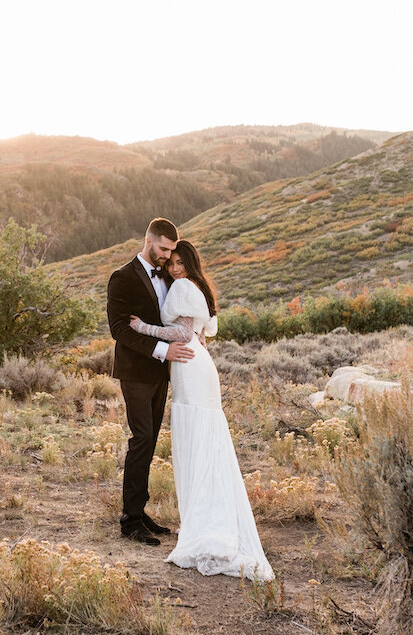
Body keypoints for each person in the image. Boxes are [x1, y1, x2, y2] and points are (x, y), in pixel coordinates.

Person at [129, 239, 274, 581]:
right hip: (199, 362)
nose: (174, 268)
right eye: (171, 263)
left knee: (196, 439)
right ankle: (208, 517)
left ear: (190, 263)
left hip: (189, 364)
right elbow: (203, 332)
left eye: (180, 262)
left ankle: (205, 525)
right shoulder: (200, 288)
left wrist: (141, 328)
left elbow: (181, 332)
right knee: (206, 441)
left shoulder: (181, 286)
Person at [106, 217, 195, 545]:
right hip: (136, 371)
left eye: (171, 251)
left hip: (162, 372)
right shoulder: (122, 278)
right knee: (141, 438)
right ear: (148, 240)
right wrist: (162, 349)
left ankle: (140, 512)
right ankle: (130, 521)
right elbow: (119, 328)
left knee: (151, 439)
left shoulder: (170, 277)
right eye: (163, 249)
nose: (166, 256)